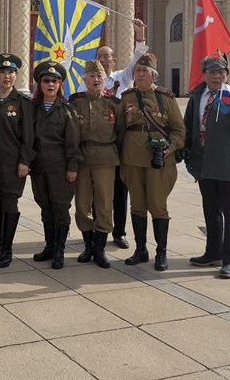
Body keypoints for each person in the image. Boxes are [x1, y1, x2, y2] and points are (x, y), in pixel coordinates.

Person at [76, 20, 148, 250]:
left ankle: (119, 231)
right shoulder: (86, 86)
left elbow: (138, 59)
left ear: (114, 60)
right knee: (97, 190)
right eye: (100, 56)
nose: (104, 60)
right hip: (95, 148)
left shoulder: (122, 77)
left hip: (118, 144)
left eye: (108, 56)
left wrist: (140, 35)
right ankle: (98, 231)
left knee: (118, 190)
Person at [184, 55, 230, 279]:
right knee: (211, 212)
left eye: (221, 73)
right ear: (204, 75)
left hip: (227, 165)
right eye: (212, 72)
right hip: (204, 164)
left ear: (226, 75)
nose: (216, 76)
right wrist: (186, 154)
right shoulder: (197, 97)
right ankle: (212, 252)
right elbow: (189, 126)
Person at [119, 54, 185, 271]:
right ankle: (140, 249)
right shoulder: (127, 97)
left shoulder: (165, 97)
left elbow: (178, 129)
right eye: (137, 71)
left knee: (157, 205)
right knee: (136, 204)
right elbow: (120, 128)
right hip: (132, 159)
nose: (140, 74)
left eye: (144, 71)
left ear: (153, 75)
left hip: (159, 160)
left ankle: (161, 252)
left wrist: (168, 149)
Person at [69, 60, 125, 269]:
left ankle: (100, 249)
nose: (95, 80)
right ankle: (88, 245)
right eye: (91, 76)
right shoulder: (76, 102)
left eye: (99, 76)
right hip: (82, 158)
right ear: (84, 79)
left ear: (104, 79)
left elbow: (120, 133)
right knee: (82, 205)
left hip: (105, 158)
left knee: (103, 203)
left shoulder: (114, 104)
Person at [0, 53, 35, 268]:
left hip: (13, 164)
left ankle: (8, 249)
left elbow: (29, 136)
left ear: (16, 76)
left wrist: (25, 161)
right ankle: (1, 245)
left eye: (11, 72)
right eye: (2, 72)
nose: (7, 76)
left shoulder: (23, 102)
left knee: (9, 203)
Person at [30, 61, 82, 270]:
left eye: (55, 81)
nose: (50, 84)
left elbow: (73, 142)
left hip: (61, 169)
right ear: (40, 84)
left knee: (61, 209)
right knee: (45, 208)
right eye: (46, 81)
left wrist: (72, 167)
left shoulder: (67, 110)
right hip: (39, 168)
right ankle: (49, 247)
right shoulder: (33, 109)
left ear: (60, 84)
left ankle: (59, 251)